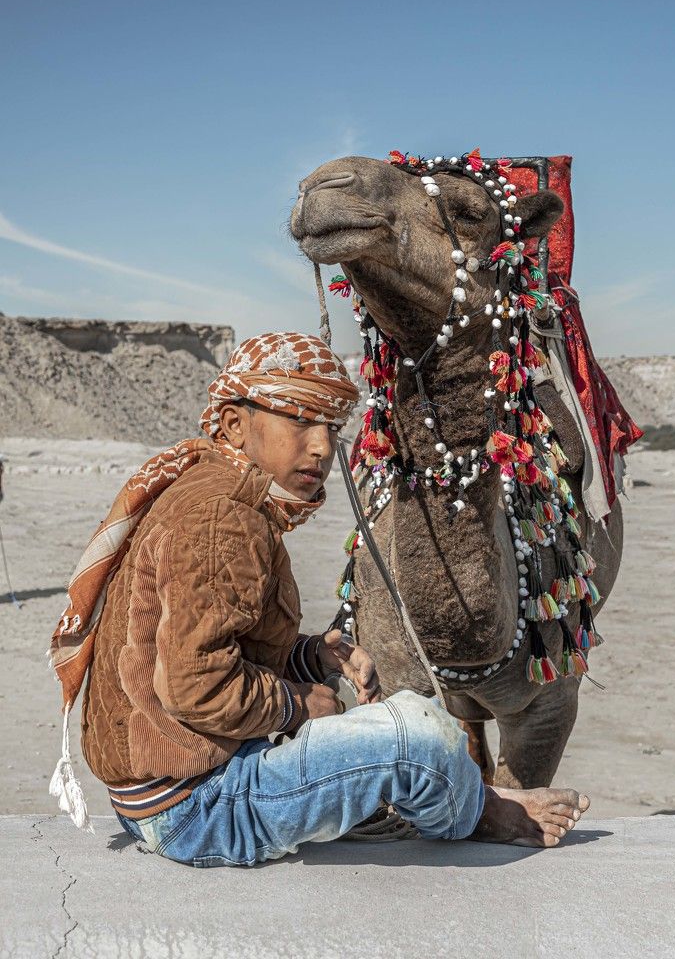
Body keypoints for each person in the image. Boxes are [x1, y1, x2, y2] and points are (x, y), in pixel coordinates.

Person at [48, 331, 589, 867]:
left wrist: (313, 657)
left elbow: (210, 648)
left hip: (178, 786)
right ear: (236, 425)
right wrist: (299, 703)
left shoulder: (217, 492)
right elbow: (195, 685)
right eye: (300, 420)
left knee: (410, 713)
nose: (323, 447)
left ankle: (461, 794)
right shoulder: (224, 516)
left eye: (331, 426)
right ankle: (482, 813)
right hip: (199, 807)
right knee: (421, 742)